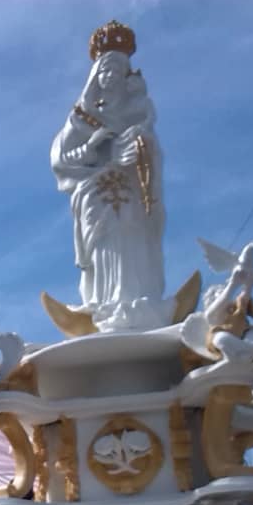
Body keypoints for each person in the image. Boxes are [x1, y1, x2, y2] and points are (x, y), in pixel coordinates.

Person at [50, 20, 166, 328]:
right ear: (96, 77)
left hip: (130, 191)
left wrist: (138, 150)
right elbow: (61, 158)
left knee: (130, 235)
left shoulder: (138, 114)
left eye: (116, 71)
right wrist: (92, 145)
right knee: (104, 243)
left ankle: (137, 300)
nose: (110, 77)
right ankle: (103, 304)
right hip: (96, 194)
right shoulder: (81, 117)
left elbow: (149, 151)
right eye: (105, 71)